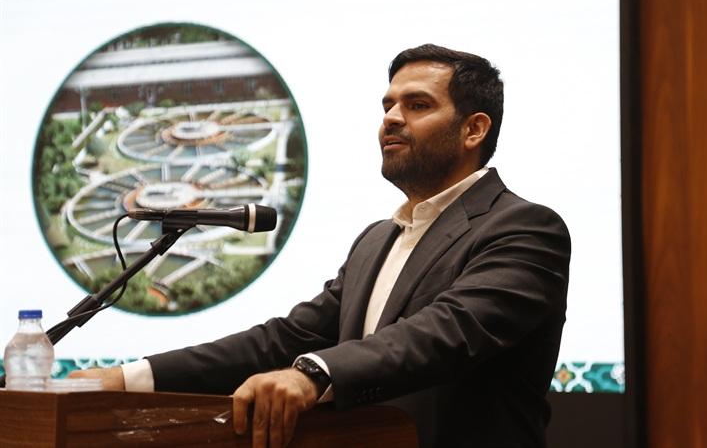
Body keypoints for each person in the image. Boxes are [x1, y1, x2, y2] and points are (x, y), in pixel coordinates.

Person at [71, 44, 571, 448]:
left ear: (474, 129)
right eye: (388, 106)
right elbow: (285, 340)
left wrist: (314, 374)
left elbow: (446, 332)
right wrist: (128, 378)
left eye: (417, 105)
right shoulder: (377, 240)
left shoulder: (524, 228)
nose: (391, 119)